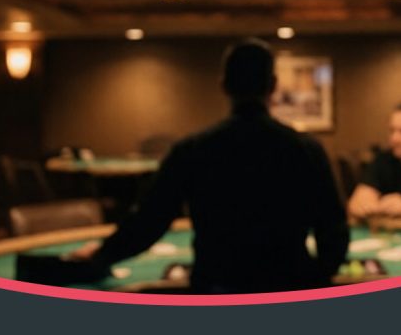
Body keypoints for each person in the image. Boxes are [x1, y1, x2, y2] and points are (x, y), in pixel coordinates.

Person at [71, 38, 349, 293]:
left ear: (223, 85)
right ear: (273, 85)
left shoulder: (192, 150)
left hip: (216, 288)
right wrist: (316, 280)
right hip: (289, 289)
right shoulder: (307, 150)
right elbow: (334, 230)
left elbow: (149, 221)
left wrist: (102, 255)